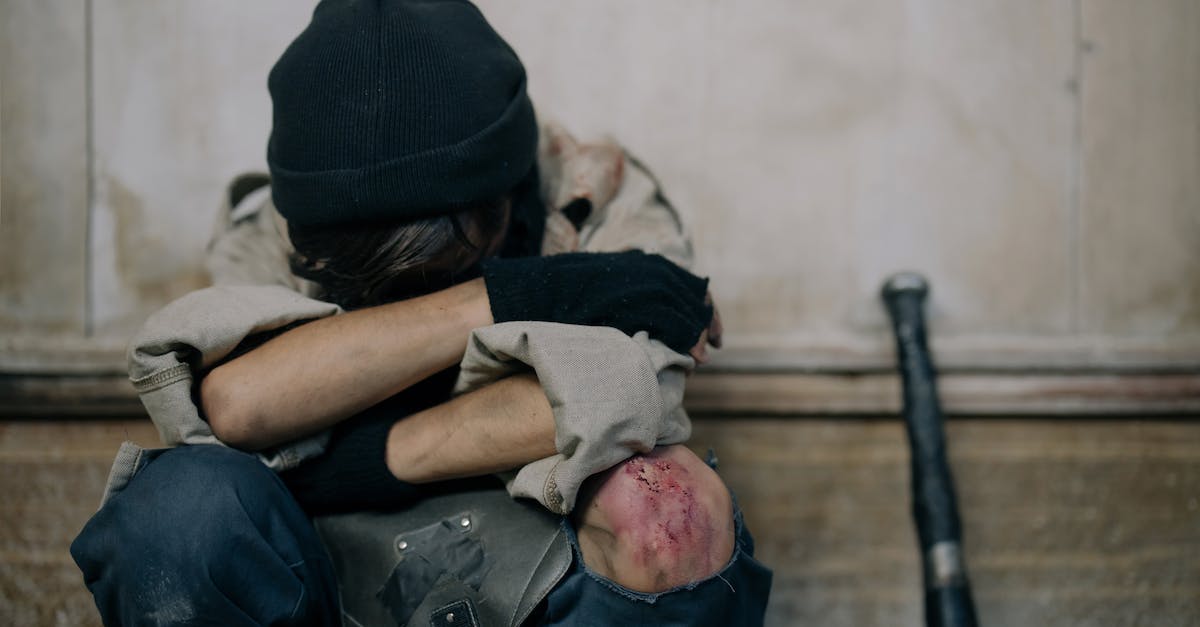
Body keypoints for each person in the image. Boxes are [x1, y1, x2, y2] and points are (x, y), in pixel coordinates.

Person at [70, 1, 772, 625]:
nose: (409, 293)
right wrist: (511, 295)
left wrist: (337, 443)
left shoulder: (600, 196)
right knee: (179, 512)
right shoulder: (280, 229)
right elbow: (238, 403)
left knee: (669, 508)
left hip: (535, 553)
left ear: (503, 198)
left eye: (441, 267)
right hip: (317, 559)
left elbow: (627, 402)